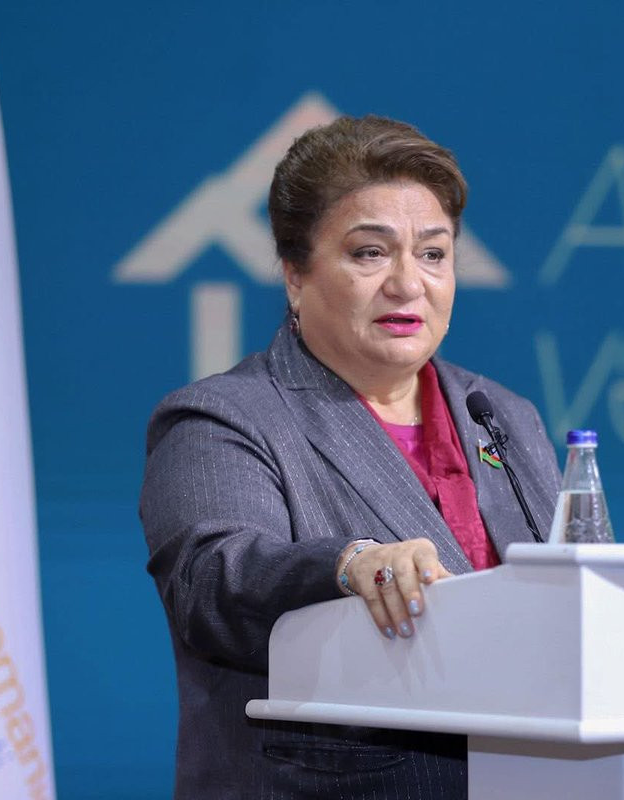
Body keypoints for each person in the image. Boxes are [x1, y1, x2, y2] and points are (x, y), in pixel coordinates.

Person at [140, 115, 561, 799]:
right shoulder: (224, 418)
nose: (408, 283)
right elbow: (211, 583)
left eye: (433, 254)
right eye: (370, 253)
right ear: (295, 275)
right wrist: (348, 563)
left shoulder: (502, 414)